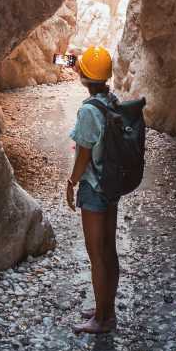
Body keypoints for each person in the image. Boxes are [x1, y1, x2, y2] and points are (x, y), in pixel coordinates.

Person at [66, 44, 120, 334]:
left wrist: (71, 182)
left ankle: (102, 319)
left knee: (96, 253)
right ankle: (105, 307)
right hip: (111, 183)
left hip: (94, 186)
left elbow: (84, 153)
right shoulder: (111, 100)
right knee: (109, 250)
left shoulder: (89, 111)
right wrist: (82, 68)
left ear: (85, 77)